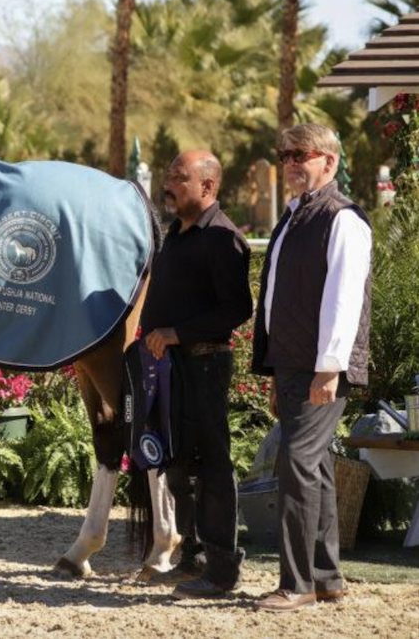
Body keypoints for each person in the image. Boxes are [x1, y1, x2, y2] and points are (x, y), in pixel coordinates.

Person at [251, 123, 372, 612]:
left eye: (301, 153)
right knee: (315, 467)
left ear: (330, 161)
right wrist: (278, 369)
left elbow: (345, 299)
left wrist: (328, 368)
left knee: (296, 465)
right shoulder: (293, 217)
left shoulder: (343, 218)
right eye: (284, 155)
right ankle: (326, 578)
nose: (290, 163)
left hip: (323, 365)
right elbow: (279, 297)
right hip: (293, 362)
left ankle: (295, 584)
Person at [139, 150, 253, 598]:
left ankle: (222, 569)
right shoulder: (177, 234)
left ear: (208, 187)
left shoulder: (223, 238)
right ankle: (194, 559)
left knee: (211, 465)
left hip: (204, 363)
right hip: (173, 366)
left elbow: (237, 308)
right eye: (168, 176)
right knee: (177, 463)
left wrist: (175, 333)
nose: (169, 184)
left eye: (179, 178)